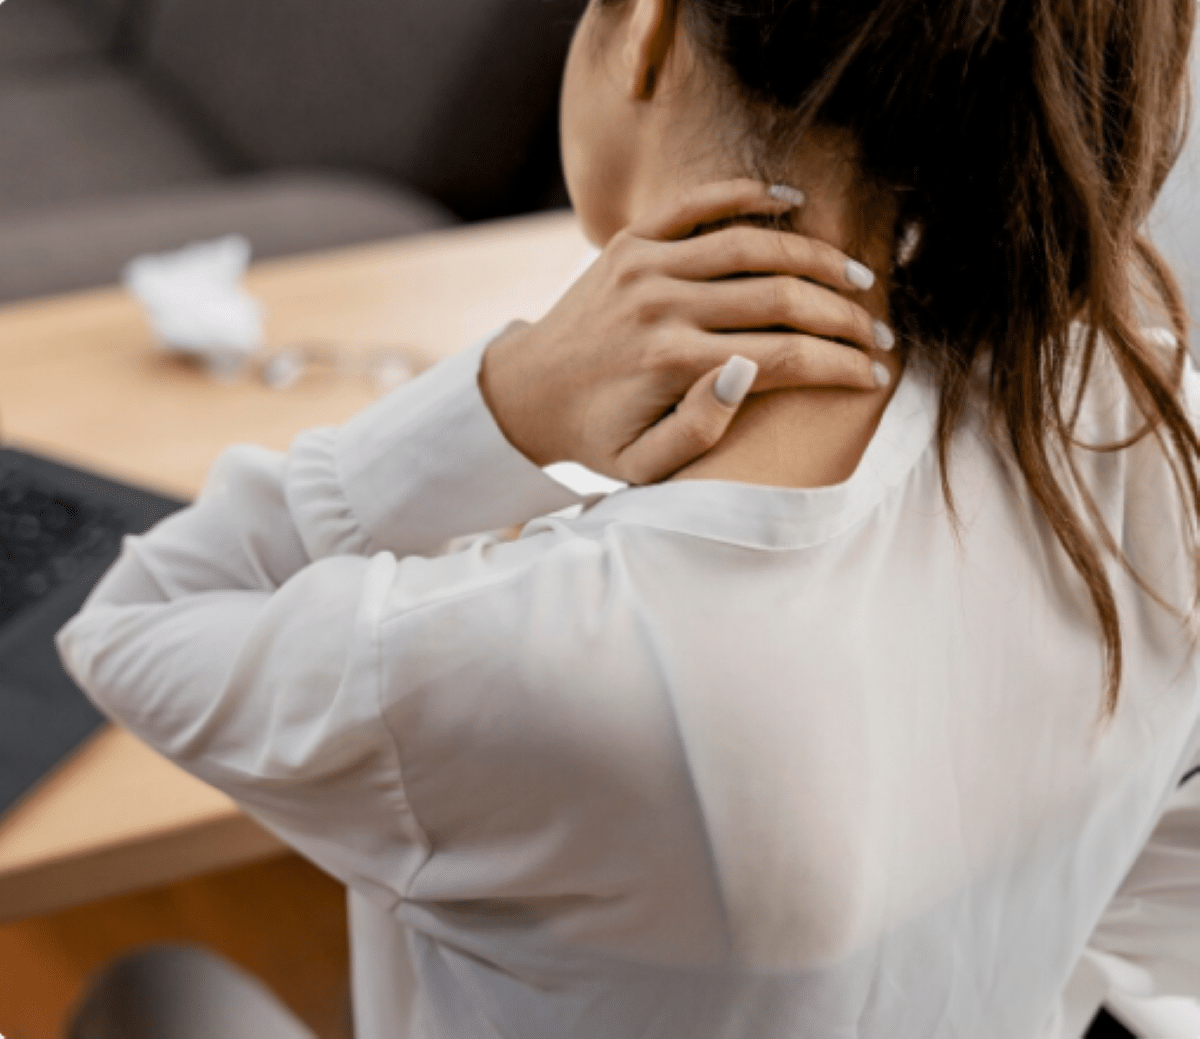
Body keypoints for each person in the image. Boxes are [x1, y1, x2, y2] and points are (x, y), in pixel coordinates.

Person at [58, 0, 1200, 1037]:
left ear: (644, 28)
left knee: (152, 991)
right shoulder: (1142, 427)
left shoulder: (555, 656)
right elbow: (1161, 906)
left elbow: (131, 625)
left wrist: (503, 404)